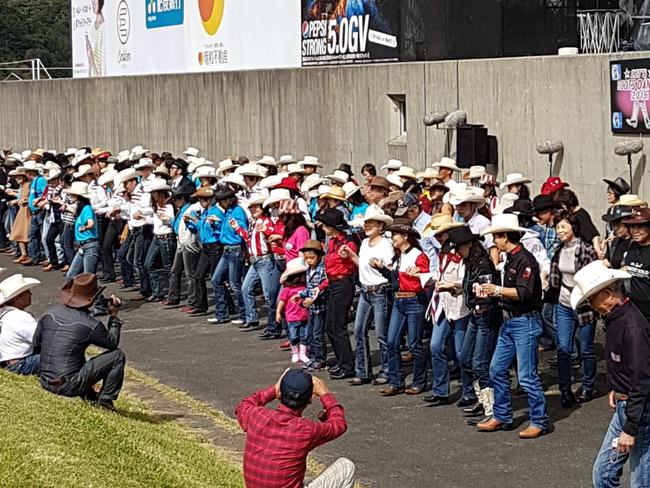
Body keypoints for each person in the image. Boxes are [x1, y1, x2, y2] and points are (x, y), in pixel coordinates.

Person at [569, 261, 650, 488]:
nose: (592, 306)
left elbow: (642, 381)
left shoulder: (632, 327)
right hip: (628, 407)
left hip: (639, 411)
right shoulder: (617, 320)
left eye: (592, 300)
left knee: (640, 480)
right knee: (603, 473)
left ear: (607, 294)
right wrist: (616, 386)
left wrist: (630, 429)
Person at [476, 215, 549, 439]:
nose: (494, 242)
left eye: (496, 236)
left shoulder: (525, 261)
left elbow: (523, 292)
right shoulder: (511, 258)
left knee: (527, 376)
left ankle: (539, 420)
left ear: (505, 236)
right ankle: (502, 414)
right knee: (497, 369)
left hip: (524, 320)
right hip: (510, 321)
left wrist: (495, 290)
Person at [235, 369, 353, 488]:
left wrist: (273, 389)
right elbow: (339, 424)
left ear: (280, 393)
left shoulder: (256, 416)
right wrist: (325, 393)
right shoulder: (305, 430)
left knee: (304, 478)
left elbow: (243, 406)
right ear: (311, 398)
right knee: (346, 467)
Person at [33, 273, 126, 411]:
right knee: (118, 356)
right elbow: (112, 343)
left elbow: (36, 345)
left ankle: (89, 394)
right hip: (67, 385)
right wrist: (114, 315)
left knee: (75, 353)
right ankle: (105, 401)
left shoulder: (49, 313)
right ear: (93, 299)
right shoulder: (90, 323)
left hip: (45, 380)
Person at [447, 224, 501, 419]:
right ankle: (482, 399)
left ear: (469, 244)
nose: (458, 252)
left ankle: (491, 407)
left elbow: (485, 292)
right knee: (466, 358)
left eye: (460, 248)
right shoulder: (471, 263)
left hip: (485, 313)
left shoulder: (483, 264)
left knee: (479, 362)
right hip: (475, 314)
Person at [547, 211, 599, 407]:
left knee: (586, 349)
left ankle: (587, 386)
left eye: (563, 227)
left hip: (584, 305)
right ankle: (565, 389)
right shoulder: (559, 250)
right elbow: (555, 277)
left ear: (573, 228)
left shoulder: (585, 250)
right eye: (557, 227)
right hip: (564, 304)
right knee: (564, 349)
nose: (559, 231)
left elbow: (593, 278)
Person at [424, 216, 473, 407]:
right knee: (435, 346)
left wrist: (450, 285)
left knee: (462, 352)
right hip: (444, 304)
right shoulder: (443, 253)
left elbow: (465, 280)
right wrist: (427, 278)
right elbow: (439, 274)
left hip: (460, 306)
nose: (439, 238)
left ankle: (469, 391)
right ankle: (440, 390)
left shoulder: (463, 254)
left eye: (441, 233)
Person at [378, 220, 430, 396]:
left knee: (414, 344)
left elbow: (424, 279)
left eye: (395, 235)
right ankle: (396, 381)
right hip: (400, 301)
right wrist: (383, 269)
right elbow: (395, 280)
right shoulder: (399, 256)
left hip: (414, 300)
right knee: (392, 342)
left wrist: (416, 274)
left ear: (405, 236)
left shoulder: (418, 255)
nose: (392, 238)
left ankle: (419, 381)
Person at [344, 205, 394, 385]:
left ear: (380, 225)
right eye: (366, 222)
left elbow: (389, 269)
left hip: (380, 290)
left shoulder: (386, 244)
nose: (367, 225)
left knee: (382, 334)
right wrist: (351, 255)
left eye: (371, 222)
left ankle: (387, 370)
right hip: (366, 290)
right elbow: (362, 265)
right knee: (358, 331)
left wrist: (380, 265)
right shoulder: (364, 243)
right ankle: (363, 371)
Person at [316, 208, 358, 380]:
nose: (324, 230)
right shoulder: (333, 242)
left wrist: (347, 255)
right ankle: (343, 362)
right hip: (333, 283)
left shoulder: (347, 243)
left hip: (343, 283)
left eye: (326, 226)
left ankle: (347, 366)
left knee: (338, 326)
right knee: (330, 325)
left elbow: (353, 264)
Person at [209, 187, 248, 325]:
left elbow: (241, 231)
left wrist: (226, 225)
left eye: (221, 201)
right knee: (216, 280)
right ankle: (222, 314)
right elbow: (225, 232)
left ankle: (245, 314)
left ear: (228, 200)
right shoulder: (228, 212)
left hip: (235, 249)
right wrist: (217, 224)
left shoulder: (237, 211)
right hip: (227, 249)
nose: (220, 204)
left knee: (235, 284)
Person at [0, 273, 41, 375]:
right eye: (27, 292)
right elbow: (40, 338)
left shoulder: (4, 313)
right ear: (17, 298)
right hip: (20, 364)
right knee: (60, 357)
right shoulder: (20, 317)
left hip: (7, 360)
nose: (30, 294)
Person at [297, 240, 328, 371]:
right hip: (312, 308)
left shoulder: (322, 271)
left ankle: (320, 359)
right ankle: (313, 357)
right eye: (307, 258)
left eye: (312, 258)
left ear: (319, 256)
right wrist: (301, 295)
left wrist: (312, 299)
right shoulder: (309, 270)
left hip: (320, 308)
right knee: (310, 334)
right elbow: (309, 288)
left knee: (318, 335)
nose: (309, 261)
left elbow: (322, 289)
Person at [278, 258, 309, 363]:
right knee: (294, 336)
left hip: (305, 316)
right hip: (292, 317)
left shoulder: (306, 288)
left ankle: (302, 353)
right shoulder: (288, 289)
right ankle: (295, 352)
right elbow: (282, 301)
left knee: (304, 336)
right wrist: (278, 312)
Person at [622, 208, 650, 324]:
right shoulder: (632, 247)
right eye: (632, 227)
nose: (635, 231)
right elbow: (628, 268)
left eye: (640, 227)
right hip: (635, 311)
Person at [66, 182, 100, 279]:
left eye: (72, 195)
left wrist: (85, 227)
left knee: (88, 277)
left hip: (90, 246)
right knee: (71, 275)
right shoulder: (80, 208)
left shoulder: (87, 208)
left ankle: (95, 294)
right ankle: (78, 293)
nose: (70, 196)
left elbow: (91, 223)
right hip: (82, 246)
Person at [602, 205, 633, 270]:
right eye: (613, 225)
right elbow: (608, 261)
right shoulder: (614, 242)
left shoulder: (635, 244)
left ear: (628, 224)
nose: (614, 228)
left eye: (618, 225)